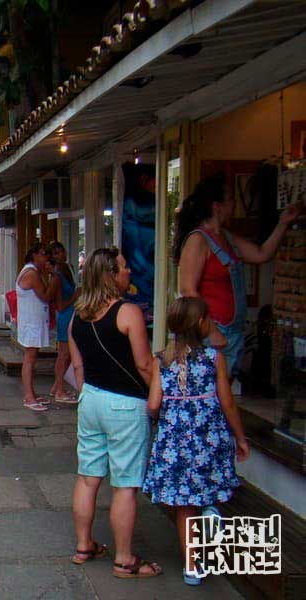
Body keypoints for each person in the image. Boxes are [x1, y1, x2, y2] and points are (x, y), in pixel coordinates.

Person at [141, 297, 249, 586]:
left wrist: (164, 411)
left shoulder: (161, 359)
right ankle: (210, 515)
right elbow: (227, 402)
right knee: (208, 488)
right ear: (200, 323)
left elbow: (153, 404)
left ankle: (191, 567)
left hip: (174, 441)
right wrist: (240, 437)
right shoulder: (214, 358)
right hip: (208, 438)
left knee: (182, 504)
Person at [68, 247, 160, 580]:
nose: (129, 272)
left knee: (88, 477)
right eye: (122, 268)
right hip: (125, 403)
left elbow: (78, 365)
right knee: (125, 485)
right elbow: (144, 364)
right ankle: (124, 560)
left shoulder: (78, 314)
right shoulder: (127, 312)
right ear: (109, 274)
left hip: (90, 400)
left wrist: (89, 395)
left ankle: (83, 546)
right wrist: (159, 396)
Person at [175, 174, 302, 377]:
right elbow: (187, 289)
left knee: (223, 390)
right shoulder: (198, 240)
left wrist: (283, 223)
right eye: (231, 200)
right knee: (212, 392)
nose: (234, 205)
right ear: (217, 206)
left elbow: (262, 254)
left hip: (232, 331)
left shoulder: (226, 237)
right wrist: (212, 330)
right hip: (212, 331)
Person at [16, 242, 57, 410]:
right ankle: (28, 396)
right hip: (31, 322)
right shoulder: (32, 273)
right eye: (43, 253)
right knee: (30, 359)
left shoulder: (33, 272)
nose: (46, 256)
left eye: (47, 253)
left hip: (33, 321)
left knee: (32, 358)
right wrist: (54, 277)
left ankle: (31, 393)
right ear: (34, 255)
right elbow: (46, 296)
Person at [50, 241, 80, 403]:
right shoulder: (57, 276)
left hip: (74, 313)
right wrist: (75, 296)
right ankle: (59, 389)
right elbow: (60, 305)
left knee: (69, 354)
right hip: (65, 315)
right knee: (64, 354)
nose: (61, 255)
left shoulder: (70, 268)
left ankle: (57, 385)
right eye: (56, 253)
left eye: (61, 251)